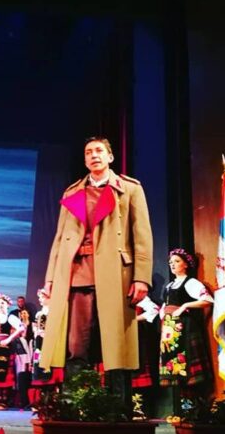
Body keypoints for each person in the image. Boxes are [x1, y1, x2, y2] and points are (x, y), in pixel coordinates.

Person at [39, 136, 153, 413]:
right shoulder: (72, 192)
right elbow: (60, 239)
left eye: (99, 150)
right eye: (88, 152)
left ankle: (120, 410)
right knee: (75, 345)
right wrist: (50, 280)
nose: (94, 155)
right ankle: (73, 408)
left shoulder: (129, 188)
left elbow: (142, 236)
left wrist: (141, 277)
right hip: (77, 273)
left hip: (116, 275)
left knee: (116, 344)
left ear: (110, 157)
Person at [159, 248, 213, 394]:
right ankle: (182, 401)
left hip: (185, 326)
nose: (172, 264)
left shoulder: (191, 283)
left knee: (187, 363)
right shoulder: (169, 286)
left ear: (186, 264)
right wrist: (163, 315)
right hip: (170, 329)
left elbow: (207, 300)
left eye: (177, 261)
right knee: (174, 365)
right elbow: (165, 304)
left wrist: (185, 306)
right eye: (170, 262)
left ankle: (193, 401)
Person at [0, 294, 24, 410]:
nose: (0, 305)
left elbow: (21, 328)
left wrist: (9, 339)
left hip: (5, 347)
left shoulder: (10, 317)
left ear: (8, 304)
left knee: (5, 373)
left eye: (2, 303)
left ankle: (4, 401)